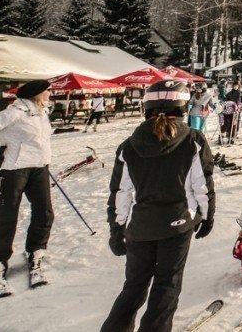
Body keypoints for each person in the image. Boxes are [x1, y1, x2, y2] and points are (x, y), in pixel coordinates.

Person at [101, 79, 214, 332]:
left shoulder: (129, 145)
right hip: (178, 224)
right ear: (182, 107)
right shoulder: (193, 140)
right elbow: (202, 185)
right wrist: (207, 216)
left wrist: (116, 228)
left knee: (134, 286)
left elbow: (121, 193)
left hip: (140, 227)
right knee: (167, 285)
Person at [0, 79, 55, 294]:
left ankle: (37, 251)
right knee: (6, 215)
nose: (50, 93)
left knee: (45, 212)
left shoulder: (42, 112)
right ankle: (0, 262)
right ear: (37, 93)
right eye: (48, 91)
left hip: (39, 167)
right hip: (13, 169)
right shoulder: (14, 112)